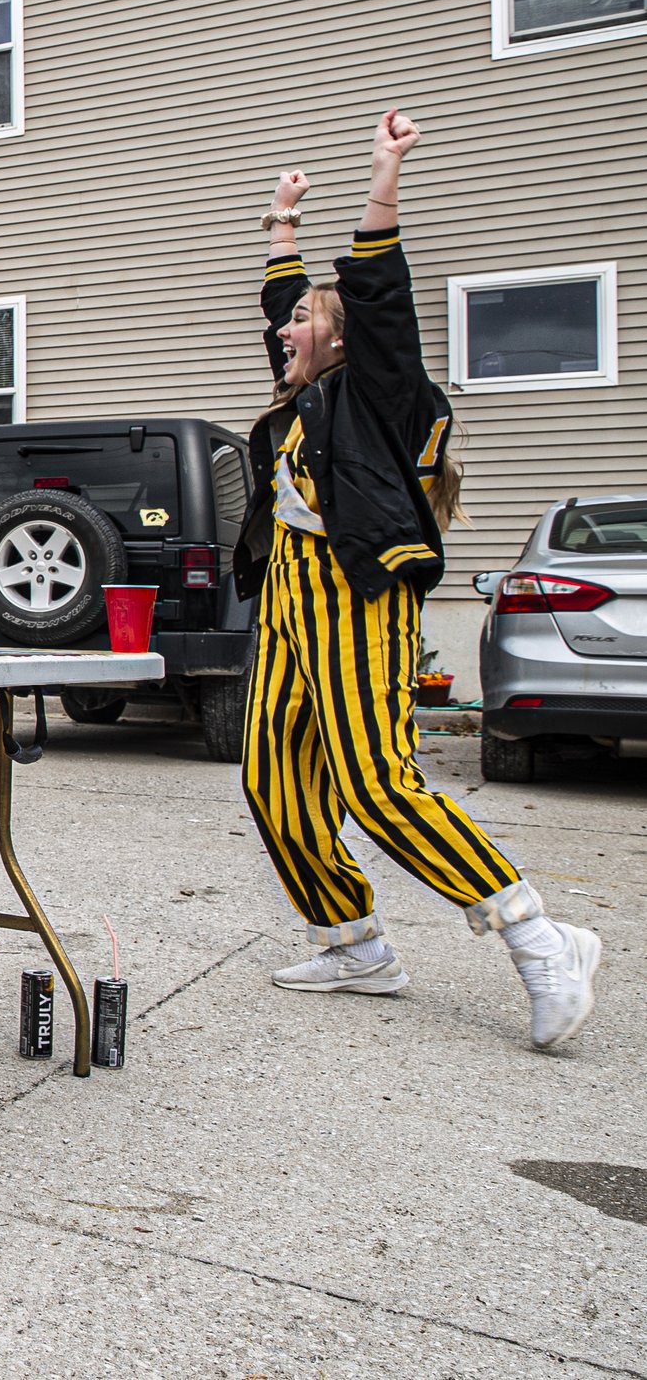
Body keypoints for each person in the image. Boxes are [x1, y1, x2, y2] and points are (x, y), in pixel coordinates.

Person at [237, 109, 597, 1049]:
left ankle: (538, 936)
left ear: (346, 339)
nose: (286, 332)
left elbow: (379, 293)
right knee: (274, 779)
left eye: (306, 322)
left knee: (376, 784)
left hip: (357, 596)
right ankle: (354, 945)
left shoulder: (381, 392)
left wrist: (382, 177)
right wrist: (283, 220)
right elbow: (282, 303)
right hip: (289, 601)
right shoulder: (304, 400)